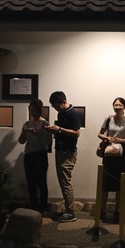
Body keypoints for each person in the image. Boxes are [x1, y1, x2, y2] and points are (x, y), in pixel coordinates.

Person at [44, 91, 81, 223]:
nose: (56, 109)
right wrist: (53, 130)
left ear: (64, 102)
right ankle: (67, 210)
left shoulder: (72, 113)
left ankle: (70, 212)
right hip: (60, 150)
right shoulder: (61, 113)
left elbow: (77, 133)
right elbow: (61, 130)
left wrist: (59, 129)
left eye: (56, 106)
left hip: (68, 153)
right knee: (63, 181)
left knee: (66, 183)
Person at [97, 96, 125, 222]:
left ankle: (118, 211)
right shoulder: (108, 119)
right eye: (116, 105)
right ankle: (101, 210)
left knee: (120, 184)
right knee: (105, 183)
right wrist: (107, 138)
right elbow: (99, 134)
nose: (117, 107)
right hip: (109, 152)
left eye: (120, 105)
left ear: (124, 107)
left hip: (121, 153)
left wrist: (121, 140)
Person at [18, 99, 52, 213]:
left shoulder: (45, 124)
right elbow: (21, 141)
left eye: (35, 110)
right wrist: (24, 132)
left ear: (40, 110)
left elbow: (47, 142)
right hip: (28, 155)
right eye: (31, 110)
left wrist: (37, 134)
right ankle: (33, 205)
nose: (33, 113)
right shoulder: (27, 123)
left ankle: (43, 206)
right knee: (30, 182)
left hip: (40, 155)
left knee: (41, 182)